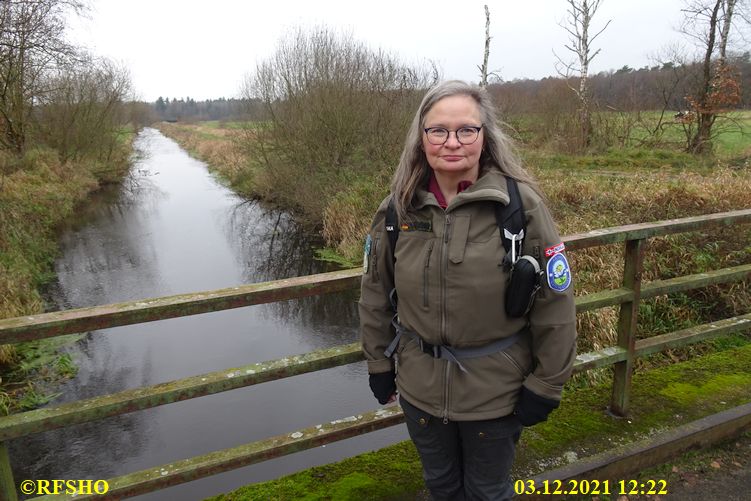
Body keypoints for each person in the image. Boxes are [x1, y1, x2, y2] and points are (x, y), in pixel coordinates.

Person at [359, 80, 577, 500]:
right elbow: (374, 293)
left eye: (466, 130)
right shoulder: (397, 210)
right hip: (419, 389)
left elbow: (556, 300)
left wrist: (548, 383)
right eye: (438, 130)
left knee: (487, 492)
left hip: (496, 394)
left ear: (484, 136)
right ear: (421, 140)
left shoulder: (521, 206)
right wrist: (378, 363)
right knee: (440, 487)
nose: (452, 142)